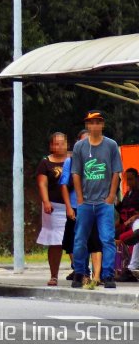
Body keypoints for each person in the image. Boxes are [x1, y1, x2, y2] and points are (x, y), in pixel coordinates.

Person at [71, 110, 123, 289]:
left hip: (103, 202)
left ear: (102, 125)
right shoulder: (80, 147)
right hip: (85, 201)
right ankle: (80, 272)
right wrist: (79, 198)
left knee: (107, 238)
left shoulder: (111, 145)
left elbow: (116, 172)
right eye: (91, 122)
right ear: (87, 125)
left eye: (98, 122)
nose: (94, 126)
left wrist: (111, 196)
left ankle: (108, 275)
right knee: (79, 239)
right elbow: (76, 173)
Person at [59, 130, 103, 285]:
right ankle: (82, 272)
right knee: (75, 242)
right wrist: (68, 208)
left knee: (95, 241)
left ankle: (97, 276)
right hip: (76, 207)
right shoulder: (70, 162)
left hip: (94, 206)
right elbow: (64, 185)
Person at [36, 132, 69, 286]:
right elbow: (42, 184)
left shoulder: (73, 160)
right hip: (53, 207)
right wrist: (46, 201)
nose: (59, 146)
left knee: (75, 240)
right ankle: (54, 275)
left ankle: (80, 272)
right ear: (51, 146)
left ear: (67, 144)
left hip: (72, 205)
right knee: (56, 241)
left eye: (62, 143)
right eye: (56, 143)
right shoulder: (45, 162)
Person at [115, 168, 139, 281]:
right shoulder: (128, 193)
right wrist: (116, 203)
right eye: (126, 180)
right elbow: (122, 209)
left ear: (137, 179)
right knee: (109, 235)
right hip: (126, 223)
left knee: (124, 237)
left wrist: (133, 218)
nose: (128, 182)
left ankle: (127, 268)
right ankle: (114, 269)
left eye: (131, 179)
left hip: (135, 224)